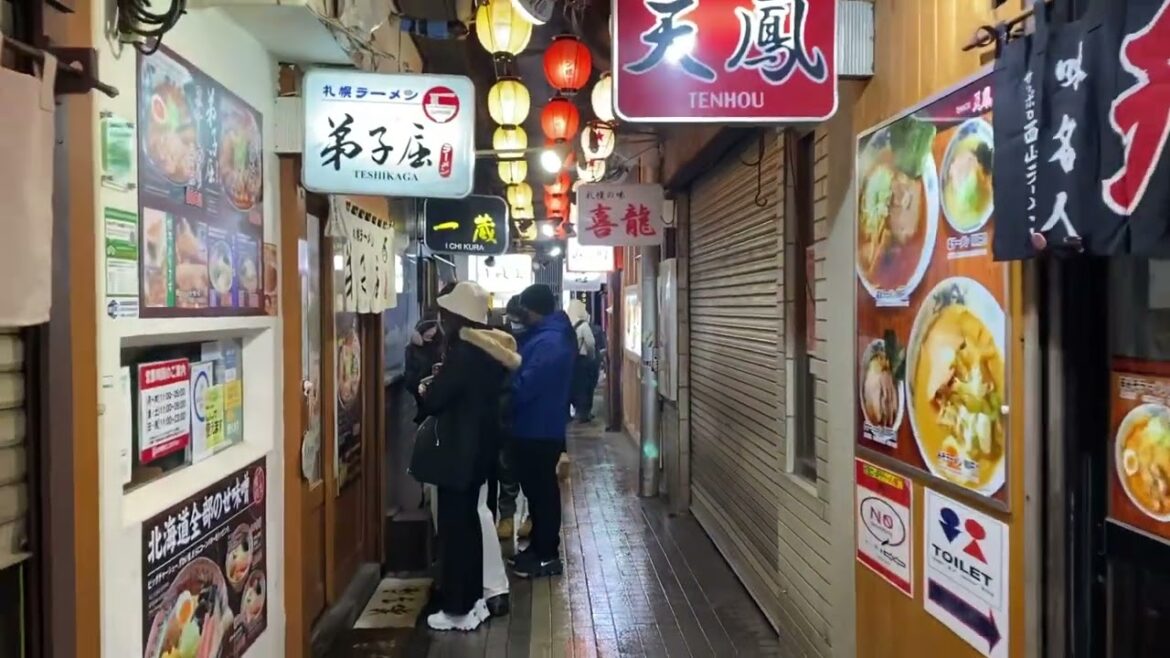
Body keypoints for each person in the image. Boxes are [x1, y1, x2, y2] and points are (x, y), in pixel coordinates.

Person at [412, 281, 521, 630]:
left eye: (445, 314)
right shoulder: (490, 351)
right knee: (471, 526)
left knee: (457, 531)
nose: (441, 319)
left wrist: (424, 383)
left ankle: (458, 611)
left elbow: (435, 400)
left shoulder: (464, 355)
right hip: (481, 452)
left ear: (455, 316)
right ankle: (474, 602)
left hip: (459, 453)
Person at [508, 284, 576, 579]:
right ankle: (538, 549)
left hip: (538, 427)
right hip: (535, 426)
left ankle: (547, 555)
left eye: (524, 310)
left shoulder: (550, 342)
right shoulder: (546, 336)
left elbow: (527, 386)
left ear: (533, 310)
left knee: (543, 494)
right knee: (537, 494)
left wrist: (503, 387)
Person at [493, 295, 530, 541]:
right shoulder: (500, 337)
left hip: (525, 413)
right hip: (505, 411)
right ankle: (507, 517)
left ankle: (526, 517)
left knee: (528, 471)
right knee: (506, 467)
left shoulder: (536, 339)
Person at [566, 298, 597, 423]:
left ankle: (572, 412)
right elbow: (591, 343)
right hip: (582, 360)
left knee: (572, 386)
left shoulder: (567, 324)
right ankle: (583, 414)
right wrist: (592, 357)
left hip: (570, 361)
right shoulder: (583, 325)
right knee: (584, 387)